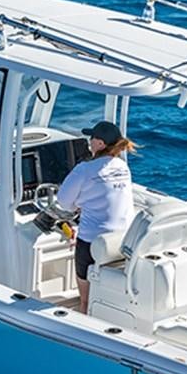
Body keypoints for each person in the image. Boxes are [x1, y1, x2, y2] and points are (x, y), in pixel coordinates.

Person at [56, 120, 136, 314]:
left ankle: (83, 322)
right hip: (123, 242)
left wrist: (78, 206)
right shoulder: (122, 167)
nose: (89, 141)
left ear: (100, 144)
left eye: (92, 138)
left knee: (85, 300)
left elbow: (63, 202)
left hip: (92, 244)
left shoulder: (84, 169)